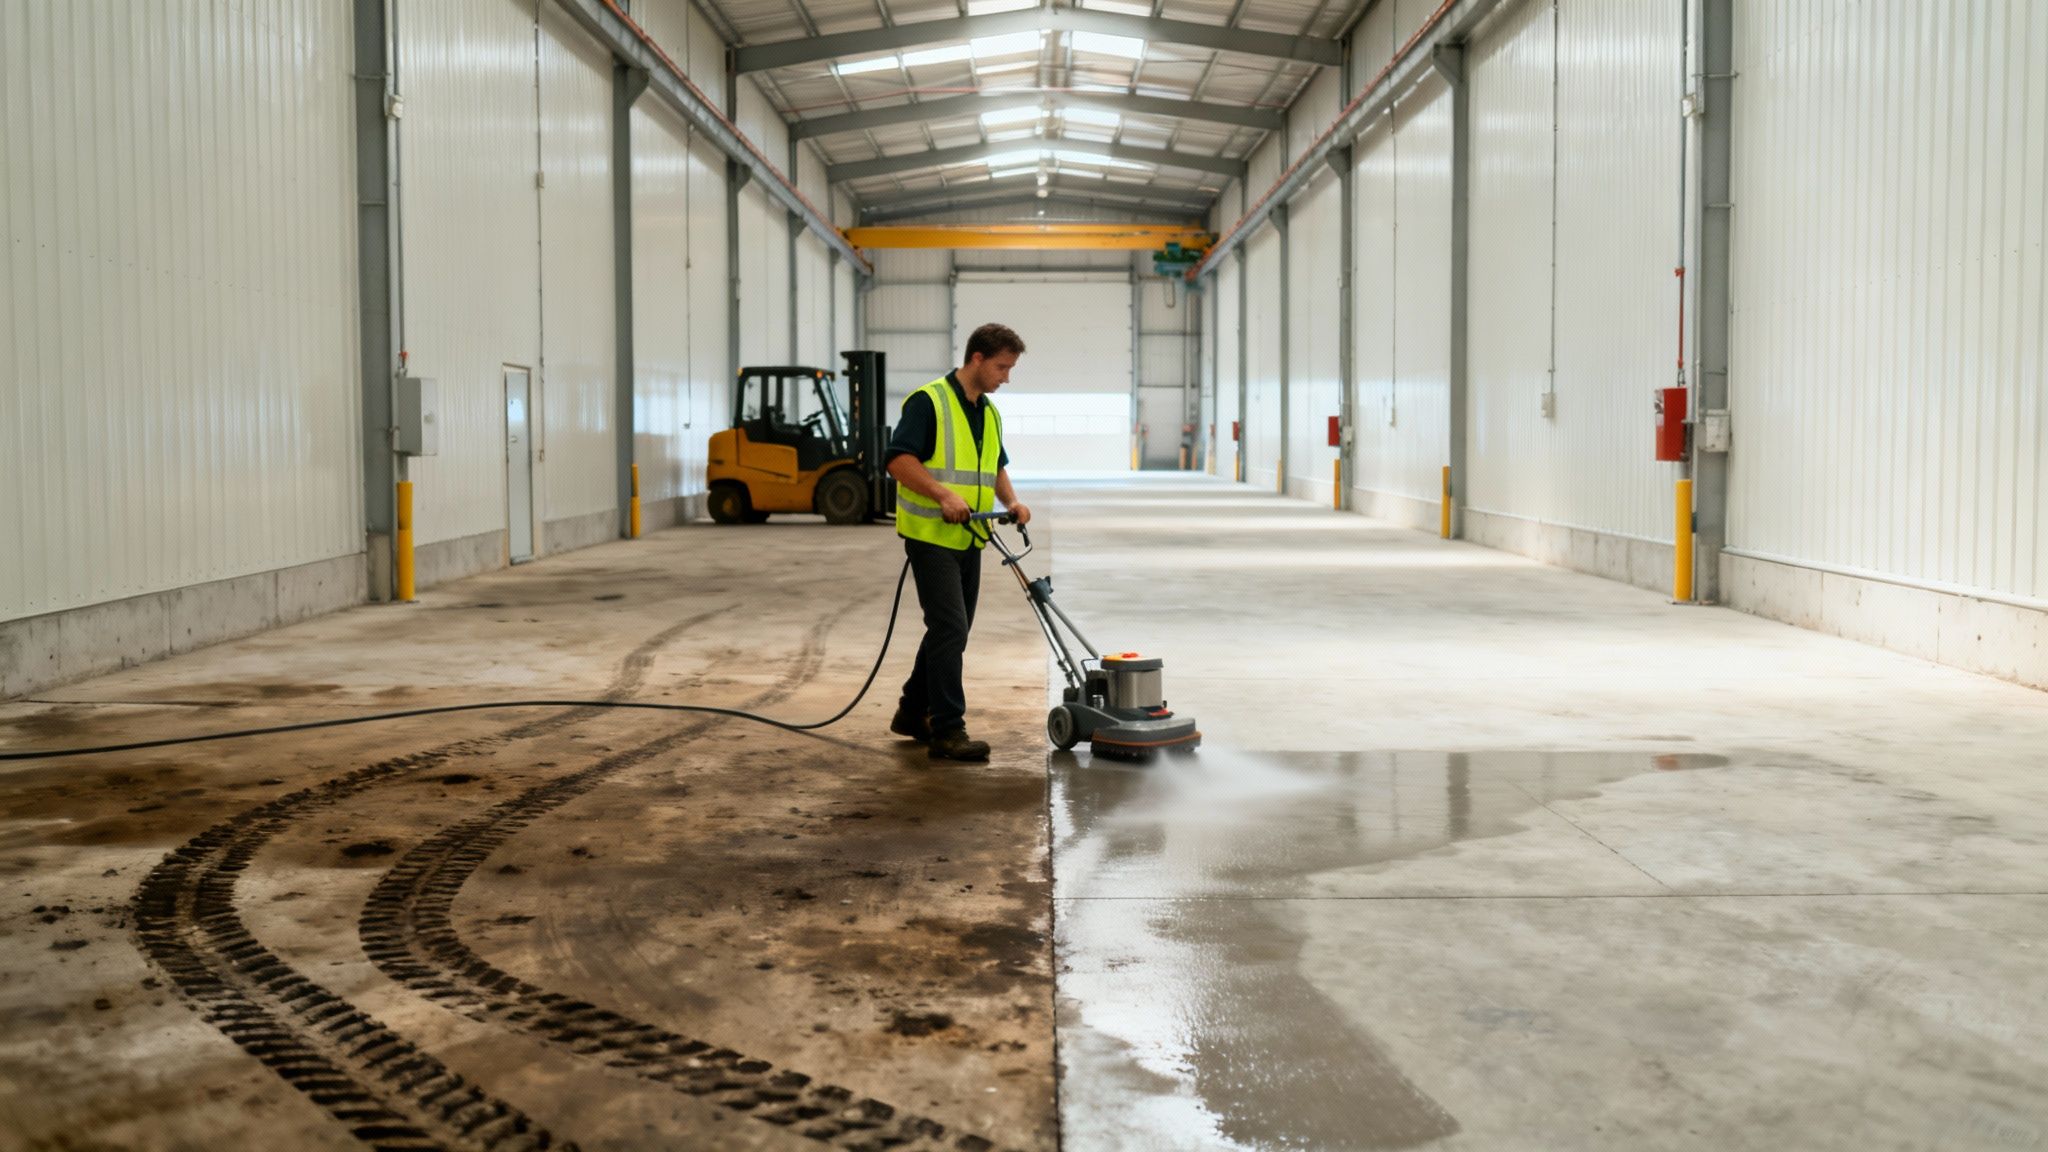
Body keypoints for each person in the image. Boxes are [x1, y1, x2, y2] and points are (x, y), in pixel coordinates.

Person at [885, 323, 1034, 762]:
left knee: (952, 629)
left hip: (971, 537)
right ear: (977, 359)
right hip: (930, 535)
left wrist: (1012, 501)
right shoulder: (929, 402)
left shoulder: (987, 412)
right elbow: (897, 459)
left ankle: (912, 711)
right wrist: (943, 494)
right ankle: (949, 730)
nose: (1006, 377)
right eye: (1002, 367)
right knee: (950, 627)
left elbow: (995, 467)